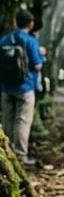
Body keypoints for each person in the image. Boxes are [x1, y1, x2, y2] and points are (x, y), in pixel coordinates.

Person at [0, 10, 45, 166]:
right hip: (25, 87)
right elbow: (37, 65)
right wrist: (42, 55)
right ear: (31, 24)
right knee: (22, 121)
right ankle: (20, 155)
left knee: (7, 119)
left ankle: (7, 152)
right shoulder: (30, 41)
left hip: (5, 87)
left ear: (16, 22)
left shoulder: (4, 39)